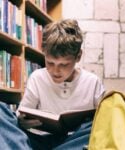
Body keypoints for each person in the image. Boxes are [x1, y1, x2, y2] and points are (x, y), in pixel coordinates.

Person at [0, 19, 105, 150]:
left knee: (97, 126)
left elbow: (102, 125)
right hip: (38, 140)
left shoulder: (92, 82)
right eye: (50, 63)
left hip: (73, 141)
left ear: (78, 56)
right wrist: (23, 122)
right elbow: (20, 120)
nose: (55, 71)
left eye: (64, 64)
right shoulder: (37, 77)